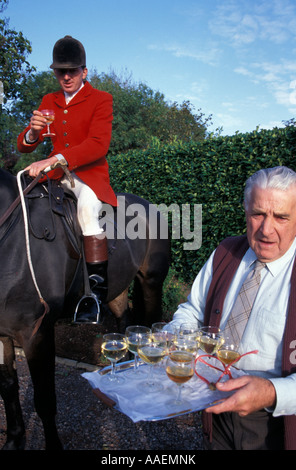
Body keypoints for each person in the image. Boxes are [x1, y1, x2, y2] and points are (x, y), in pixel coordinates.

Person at [169, 165, 296, 450]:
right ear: (245, 212)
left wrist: (272, 391)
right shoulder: (226, 253)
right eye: (258, 214)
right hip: (215, 406)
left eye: (281, 217)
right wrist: (175, 341)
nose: (266, 229)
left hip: (276, 421)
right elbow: (192, 310)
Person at [17, 35, 117, 322]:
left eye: (72, 71)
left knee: (86, 212)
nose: (66, 76)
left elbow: (99, 144)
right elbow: (25, 144)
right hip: (55, 175)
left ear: (84, 72)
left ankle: (95, 296)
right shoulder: (50, 100)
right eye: (61, 71)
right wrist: (34, 133)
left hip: (88, 176)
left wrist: (54, 159)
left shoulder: (101, 99)